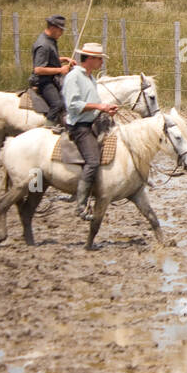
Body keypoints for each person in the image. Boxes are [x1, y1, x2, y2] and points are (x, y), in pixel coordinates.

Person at [61, 43, 119, 221]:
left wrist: (105, 110)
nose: (102, 62)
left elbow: (91, 103)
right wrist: (99, 106)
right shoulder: (74, 78)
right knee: (93, 161)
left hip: (92, 122)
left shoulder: (90, 78)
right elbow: (73, 105)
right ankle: (80, 204)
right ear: (90, 59)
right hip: (80, 127)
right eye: (100, 59)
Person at [29, 15, 72, 133]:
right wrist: (60, 70)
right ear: (53, 28)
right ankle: (47, 129)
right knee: (57, 104)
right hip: (43, 81)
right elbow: (38, 69)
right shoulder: (43, 45)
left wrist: (63, 59)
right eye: (60, 29)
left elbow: (49, 59)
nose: (62, 32)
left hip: (50, 78)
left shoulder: (50, 41)